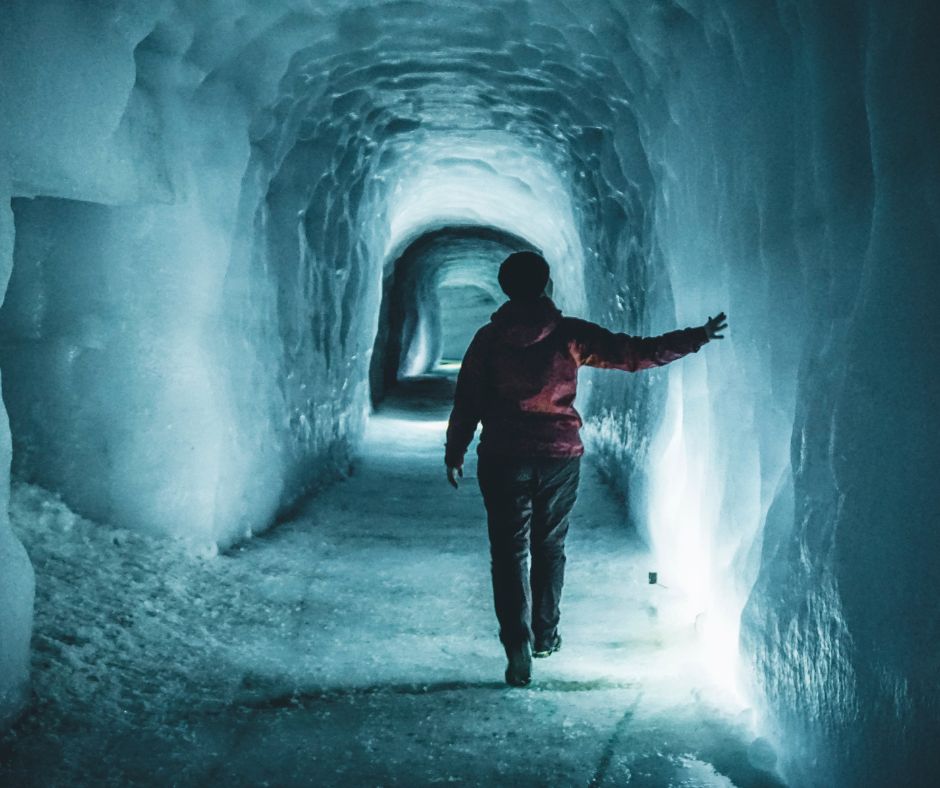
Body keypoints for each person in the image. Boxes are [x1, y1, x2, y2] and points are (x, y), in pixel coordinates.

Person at [444, 250, 727, 687]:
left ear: (504, 287)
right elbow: (633, 354)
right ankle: (545, 635)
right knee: (549, 547)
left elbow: (469, 399)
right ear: (546, 285)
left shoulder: (488, 339)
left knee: (508, 553)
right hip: (558, 455)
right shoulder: (568, 335)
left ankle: (516, 644)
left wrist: (455, 450)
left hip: (503, 456)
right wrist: (697, 337)